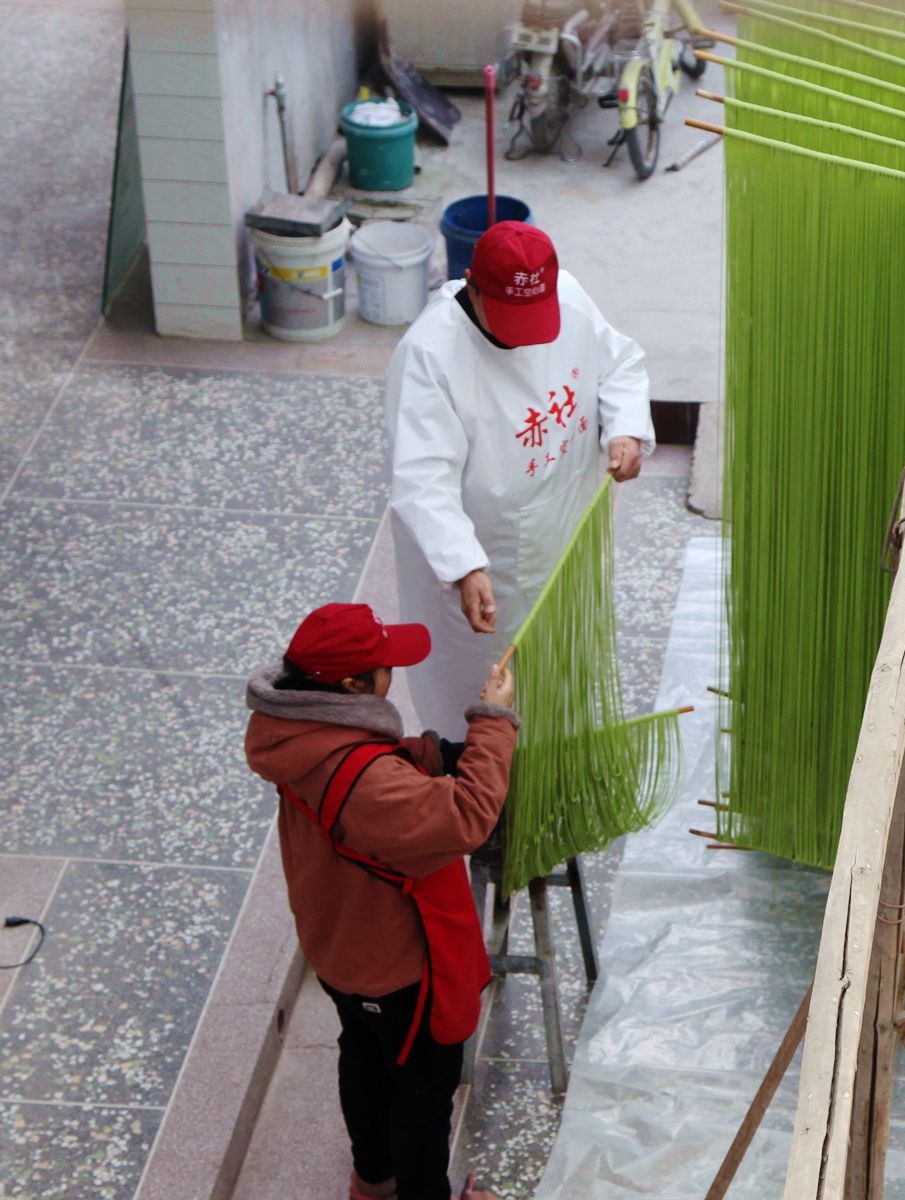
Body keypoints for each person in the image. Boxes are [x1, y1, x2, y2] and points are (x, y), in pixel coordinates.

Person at [244, 603, 517, 1200]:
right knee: (422, 1092)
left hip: (336, 941)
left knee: (363, 1057)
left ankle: (372, 1182)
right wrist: (492, 722)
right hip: (393, 967)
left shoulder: (292, 729)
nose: (392, 670)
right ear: (350, 685)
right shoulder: (366, 781)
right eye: (383, 664)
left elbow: (368, 782)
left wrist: (419, 758)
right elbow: (465, 818)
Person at [385, 221, 654, 739]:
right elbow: (422, 480)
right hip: (482, 558)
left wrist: (624, 429)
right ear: (471, 283)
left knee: (563, 663)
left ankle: (559, 757)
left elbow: (620, 363)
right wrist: (463, 564)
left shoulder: (570, 296)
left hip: (563, 526)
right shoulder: (429, 354)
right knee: (481, 687)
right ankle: (479, 790)